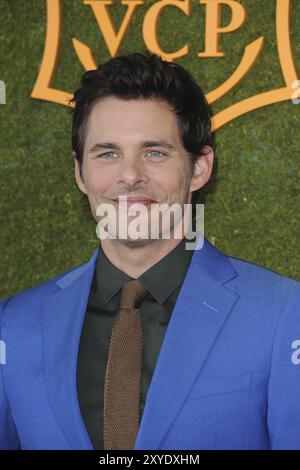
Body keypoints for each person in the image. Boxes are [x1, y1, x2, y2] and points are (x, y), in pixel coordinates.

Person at [0, 52, 300, 451]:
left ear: (199, 169)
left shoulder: (282, 314)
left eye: (154, 152)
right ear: (79, 173)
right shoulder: (15, 325)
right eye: (107, 153)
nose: (129, 175)